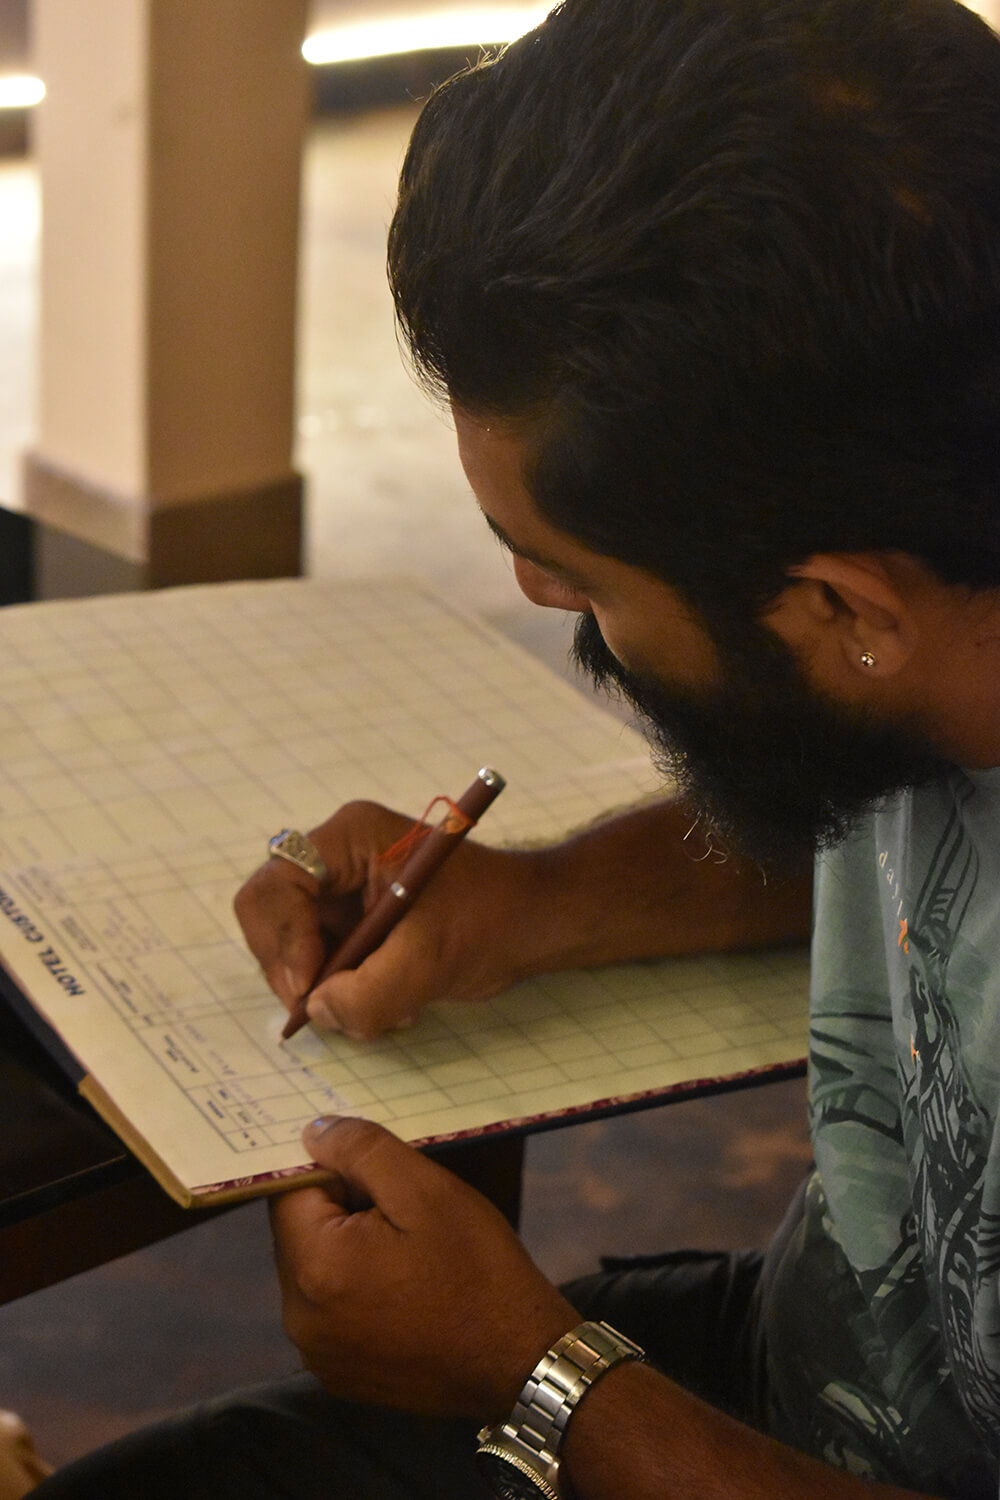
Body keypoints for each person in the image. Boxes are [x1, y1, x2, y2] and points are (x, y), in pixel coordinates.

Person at [20, 0, 1000, 1494]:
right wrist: (534, 904)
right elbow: (888, 826)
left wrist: (541, 1374)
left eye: (577, 576)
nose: (540, 599)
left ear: (840, 606)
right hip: (814, 1353)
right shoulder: (938, 567)